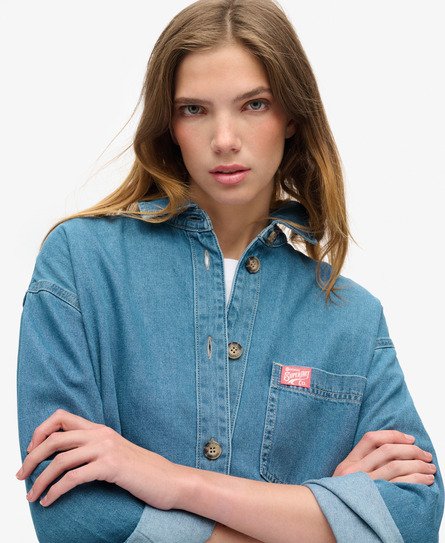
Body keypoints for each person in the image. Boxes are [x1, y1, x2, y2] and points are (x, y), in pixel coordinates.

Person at [15, 0, 443, 541]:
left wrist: (171, 481)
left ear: (292, 116)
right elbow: (70, 512)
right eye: (195, 109)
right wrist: (318, 520)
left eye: (254, 105)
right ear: (169, 124)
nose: (224, 139)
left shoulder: (352, 318)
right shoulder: (80, 264)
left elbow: (413, 517)